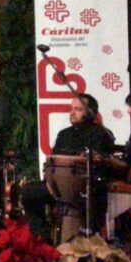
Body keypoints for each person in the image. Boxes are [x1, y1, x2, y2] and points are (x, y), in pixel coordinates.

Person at [20, 94, 115, 238]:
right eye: (71, 108)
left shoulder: (100, 134)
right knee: (28, 192)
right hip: (58, 186)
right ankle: (41, 236)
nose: (72, 112)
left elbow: (102, 163)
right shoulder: (64, 134)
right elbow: (54, 161)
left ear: (91, 113)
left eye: (78, 109)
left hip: (86, 186)